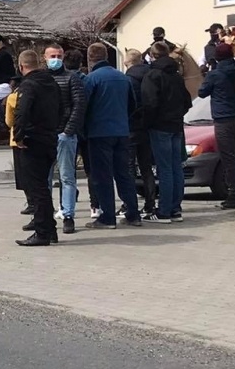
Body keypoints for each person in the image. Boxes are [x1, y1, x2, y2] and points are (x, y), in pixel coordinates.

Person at [81, 42, 142, 229]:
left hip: (99, 132)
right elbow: (133, 105)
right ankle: (133, 214)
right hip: (122, 131)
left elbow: (84, 107)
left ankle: (107, 217)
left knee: (102, 176)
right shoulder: (123, 78)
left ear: (90, 58)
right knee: (124, 174)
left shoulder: (91, 79)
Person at [10, 49, 62, 245]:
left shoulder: (28, 85)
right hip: (49, 138)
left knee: (36, 188)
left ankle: (42, 232)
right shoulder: (51, 83)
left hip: (32, 140)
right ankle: (50, 230)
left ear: (21, 66)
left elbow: (21, 113)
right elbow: (61, 109)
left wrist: (19, 136)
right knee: (42, 187)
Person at [140, 40, 192, 223]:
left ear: (152, 55)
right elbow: (187, 101)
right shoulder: (176, 75)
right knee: (176, 167)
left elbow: (149, 103)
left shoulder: (153, 75)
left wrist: (147, 123)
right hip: (176, 125)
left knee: (165, 170)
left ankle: (164, 212)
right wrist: (176, 115)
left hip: (159, 126)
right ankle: (176, 209)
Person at [45, 42, 86, 236]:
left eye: (58, 56)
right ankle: (43, 215)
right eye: (52, 56)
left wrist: (68, 131)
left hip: (65, 135)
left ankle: (68, 215)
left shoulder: (72, 78)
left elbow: (79, 106)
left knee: (67, 177)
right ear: (45, 58)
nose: (55, 60)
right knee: (43, 178)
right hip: (45, 136)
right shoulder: (41, 79)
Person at [199, 43, 235, 209]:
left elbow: (202, 92)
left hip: (223, 119)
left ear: (216, 57)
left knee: (228, 157)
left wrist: (207, 74)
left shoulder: (215, 74)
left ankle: (234, 194)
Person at [123, 50, 157, 220]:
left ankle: (129, 205)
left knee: (128, 168)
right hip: (148, 127)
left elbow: (127, 104)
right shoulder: (151, 76)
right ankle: (151, 204)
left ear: (126, 62)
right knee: (146, 168)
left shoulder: (127, 80)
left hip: (130, 128)